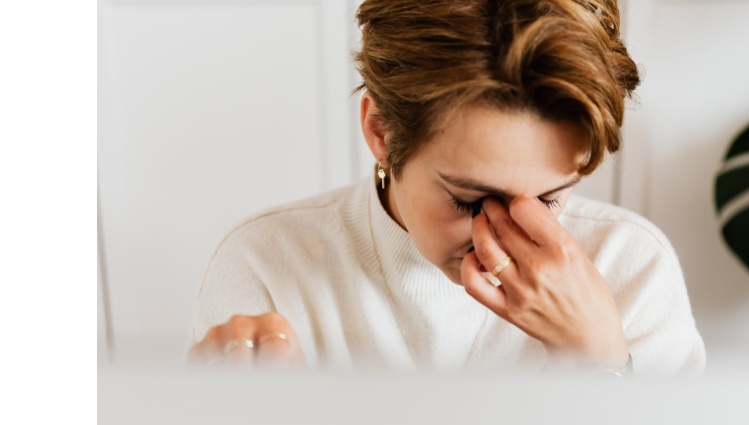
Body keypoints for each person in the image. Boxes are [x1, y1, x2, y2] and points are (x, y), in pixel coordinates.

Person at [186, 0, 705, 376]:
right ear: (381, 132)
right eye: (470, 200)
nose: (503, 239)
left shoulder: (631, 268)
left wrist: (601, 362)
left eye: (550, 199)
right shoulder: (265, 264)